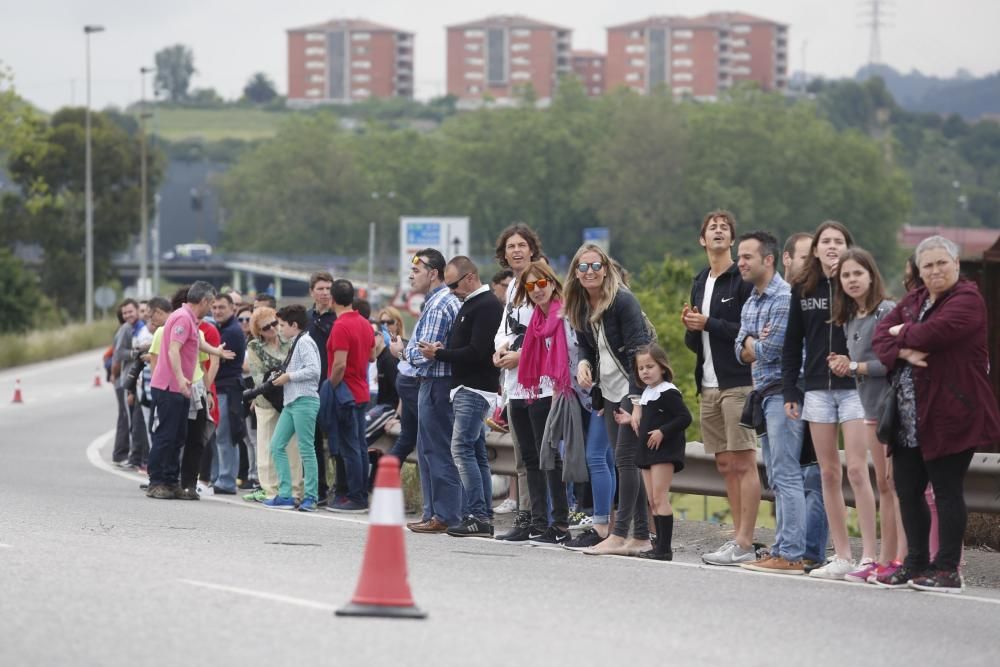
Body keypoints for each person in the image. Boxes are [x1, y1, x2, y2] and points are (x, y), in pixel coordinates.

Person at [872, 236, 1000, 592]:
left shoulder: (968, 300)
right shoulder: (914, 299)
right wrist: (903, 350)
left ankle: (947, 569)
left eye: (942, 263)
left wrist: (904, 334)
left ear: (956, 265)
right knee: (908, 489)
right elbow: (880, 337)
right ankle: (915, 563)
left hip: (951, 414)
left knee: (946, 491)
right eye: (927, 265)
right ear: (919, 270)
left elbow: (935, 333)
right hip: (910, 417)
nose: (935, 270)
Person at [781, 221, 870, 580]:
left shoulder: (855, 285)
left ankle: (870, 556)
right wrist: (790, 390)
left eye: (838, 241)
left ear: (848, 245)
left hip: (855, 390)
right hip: (816, 389)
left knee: (857, 471)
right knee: (828, 473)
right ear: (815, 249)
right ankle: (842, 555)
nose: (832, 246)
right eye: (826, 242)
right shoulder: (803, 289)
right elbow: (792, 343)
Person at [683, 211, 760, 567]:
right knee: (726, 463)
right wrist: (691, 326)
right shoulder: (700, 280)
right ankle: (737, 536)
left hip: (738, 382)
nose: (717, 231)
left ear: (731, 240)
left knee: (744, 462)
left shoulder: (740, 279)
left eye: (723, 228)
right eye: (711, 227)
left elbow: (748, 330)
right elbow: (695, 341)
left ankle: (746, 540)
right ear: (702, 240)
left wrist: (709, 323)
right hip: (708, 384)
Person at [566, 243, 652, 556]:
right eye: (583, 267)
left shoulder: (622, 300)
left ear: (606, 268)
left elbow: (637, 351)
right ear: (576, 273)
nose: (590, 272)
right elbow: (586, 346)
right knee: (623, 461)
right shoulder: (579, 304)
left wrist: (638, 401)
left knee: (626, 461)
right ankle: (641, 537)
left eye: (595, 266)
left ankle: (619, 534)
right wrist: (584, 364)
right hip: (611, 391)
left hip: (633, 388)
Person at [828, 247, 906, 583]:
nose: (852, 280)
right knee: (885, 485)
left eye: (858, 273)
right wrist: (843, 365)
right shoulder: (851, 317)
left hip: (893, 409)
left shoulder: (885, 312)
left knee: (896, 485)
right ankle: (884, 560)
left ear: (871, 275)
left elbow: (893, 361)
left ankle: (901, 558)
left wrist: (855, 367)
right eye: (846, 275)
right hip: (870, 409)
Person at [733, 231, 805, 574]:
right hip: (763, 395)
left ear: (769, 260)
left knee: (788, 474)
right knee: (776, 475)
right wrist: (750, 342)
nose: (740, 263)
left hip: (783, 393)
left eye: (747, 256)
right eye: (739, 257)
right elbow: (739, 348)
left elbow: (772, 348)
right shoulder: (752, 301)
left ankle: (790, 553)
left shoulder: (784, 297)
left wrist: (752, 344)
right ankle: (781, 548)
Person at [420, 257, 503, 538]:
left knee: (461, 449)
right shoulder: (470, 304)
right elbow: (465, 345)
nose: (451, 290)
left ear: (470, 277)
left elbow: (478, 351)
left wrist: (439, 354)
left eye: (454, 284)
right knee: (476, 451)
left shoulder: (488, 305)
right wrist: (446, 347)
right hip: (466, 387)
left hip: (475, 387)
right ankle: (481, 514)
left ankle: (478, 515)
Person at [392, 249, 463, 533]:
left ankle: (444, 515)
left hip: (436, 383)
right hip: (437, 383)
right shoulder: (444, 300)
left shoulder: (437, 305)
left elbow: (425, 353)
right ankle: (436, 513)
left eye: (417, 270)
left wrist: (401, 352)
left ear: (434, 273)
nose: (411, 275)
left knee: (435, 451)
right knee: (430, 450)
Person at [506, 260, 573, 545]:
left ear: (552, 283)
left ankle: (559, 523)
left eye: (541, 283)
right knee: (531, 458)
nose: (536, 290)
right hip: (527, 389)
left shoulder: (562, 314)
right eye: (530, 286)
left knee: (550, 459)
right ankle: (538, 521)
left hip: (553, 392)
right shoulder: (534, 319)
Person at [146, 282, 233, 499]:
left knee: (178, 436)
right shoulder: (183, 318)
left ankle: (171, 480)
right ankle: (157, 482)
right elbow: (174, 349)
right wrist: (180, 378)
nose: (211, 308)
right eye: (211, 303)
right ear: (203, 301)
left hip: (180, 388)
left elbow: (197, 344)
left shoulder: (190, 319)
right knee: (166, 436)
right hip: (170, 387)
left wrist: (217, 352)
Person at [491, 224, 545, 540]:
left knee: (540, 456)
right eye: (511, 246)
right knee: (523, 456)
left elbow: (549, 332)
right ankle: (527, 518)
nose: (516, 250)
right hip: (514, 382)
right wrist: (500, 347)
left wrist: (520, 356)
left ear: (531, 248)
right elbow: (505, 327)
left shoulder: (540, 281)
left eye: (521, 244)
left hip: (540, 383)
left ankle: (543, 519)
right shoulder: (512, 287)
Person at [617, 344, 691, 560]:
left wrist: (662, 432)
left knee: (660, 498)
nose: (645, 371)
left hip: (664, 451)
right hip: (647, 452)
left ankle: (664, 549)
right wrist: (630, 419)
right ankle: (658, 545)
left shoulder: (668, 392)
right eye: (641, 368)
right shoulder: (648, 393)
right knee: (652, 499)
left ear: (662, 367)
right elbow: (651, 420)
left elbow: (684, 418)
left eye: (650, 366)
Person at [781, 232, 828, 568]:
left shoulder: (821, 294)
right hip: (789, 391)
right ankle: (789, 545)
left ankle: (811, 551)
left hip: (815, 389)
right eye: (803, 256)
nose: (810, 262)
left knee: (812, 476)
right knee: (787, 474)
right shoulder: (786, 294)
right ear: (786, 258)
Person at [263, 305, 323, 512]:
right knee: (277, 445)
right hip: (292, 401)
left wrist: (289, 376)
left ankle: (311, 497)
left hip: (304, 400)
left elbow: (314, 370)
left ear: (294, 325)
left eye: (281, 325)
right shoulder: (297, 342)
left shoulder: (304, 342)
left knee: (306, 449)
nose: (279, 329)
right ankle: (286, 494)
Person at [242, 307, 304, 504]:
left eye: (274, 323)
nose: (272, 329)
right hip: (266, 400)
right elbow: (257, 376)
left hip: (290, 399)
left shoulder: (292, 342)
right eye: (265, 327)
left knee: (292, 447)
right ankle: (271, 490)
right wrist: (277, 381)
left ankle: (294, 490)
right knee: (267, 446)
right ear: (258, 331)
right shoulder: (254, 346)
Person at [326, 279, 377, 513]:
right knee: (359, 444)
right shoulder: (365, 323)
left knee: (350, 447)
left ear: (333, 299)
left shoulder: (340, 326)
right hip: (362, 391)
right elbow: (372, 357)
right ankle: (359, 494)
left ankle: (356, 497)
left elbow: (339, 365)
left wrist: (330, 387)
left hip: (346, 393)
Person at [210, 294, 248, 495]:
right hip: (221, 390)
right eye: (214, 307)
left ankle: (226, 480)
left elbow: (214, 360)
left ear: (232, 308)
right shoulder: (221, 328)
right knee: (219, 437)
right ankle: (220, 477)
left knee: (226, 437)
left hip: (227, 390)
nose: (217, 311)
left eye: (221, 307)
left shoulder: (232, 332)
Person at [307, 272, 336, 504]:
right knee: (313, 441)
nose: (325, 293)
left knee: (337, 442)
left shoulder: (339, 318)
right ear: (312, 292)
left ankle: (341, 489)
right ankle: (317, 488)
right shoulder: (306, 319)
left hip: (334, 385)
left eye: (328, 288)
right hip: (310, 388)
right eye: (320, 288)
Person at [111, 299, 141, 465]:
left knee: (133, 419)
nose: (128, 315)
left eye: (130, 311)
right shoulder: (126, 329)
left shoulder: (139, 327)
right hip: (127, 380)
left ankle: (127, 453)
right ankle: (122, 454)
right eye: (125, 313)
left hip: (134, 380)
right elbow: (118, 354)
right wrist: (134, 353)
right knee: (127, 418)